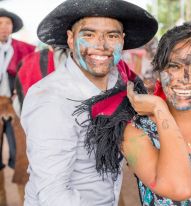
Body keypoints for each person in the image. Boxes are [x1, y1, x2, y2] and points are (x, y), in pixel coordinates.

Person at [20, 0, 158, 205]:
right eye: (89, 34)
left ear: (122, 40)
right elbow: (53, 194)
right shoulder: (52, 100)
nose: (101, 45)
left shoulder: (119, 83)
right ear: (70, 38)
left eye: (111, 36)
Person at [123, 23, 191, 205]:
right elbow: (179, 189)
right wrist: (159, 109)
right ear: (159, 71)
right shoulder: (136, 132)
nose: (185, 79)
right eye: (174, 66)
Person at [0, 8, 35, 205]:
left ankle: (25, 200)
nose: (4, 27)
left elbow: (31, 76)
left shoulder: (24, 49)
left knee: (21, 153)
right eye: (0, 23)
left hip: (14, 105)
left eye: (7, 23)